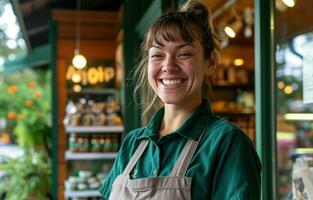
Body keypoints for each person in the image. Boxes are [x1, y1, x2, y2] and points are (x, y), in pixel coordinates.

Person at [98, 0, 261, 199]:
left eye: (184, 54)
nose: (169, 66)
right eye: (157, 55)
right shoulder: (133, 143)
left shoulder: (227, 142)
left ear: (210, 63)